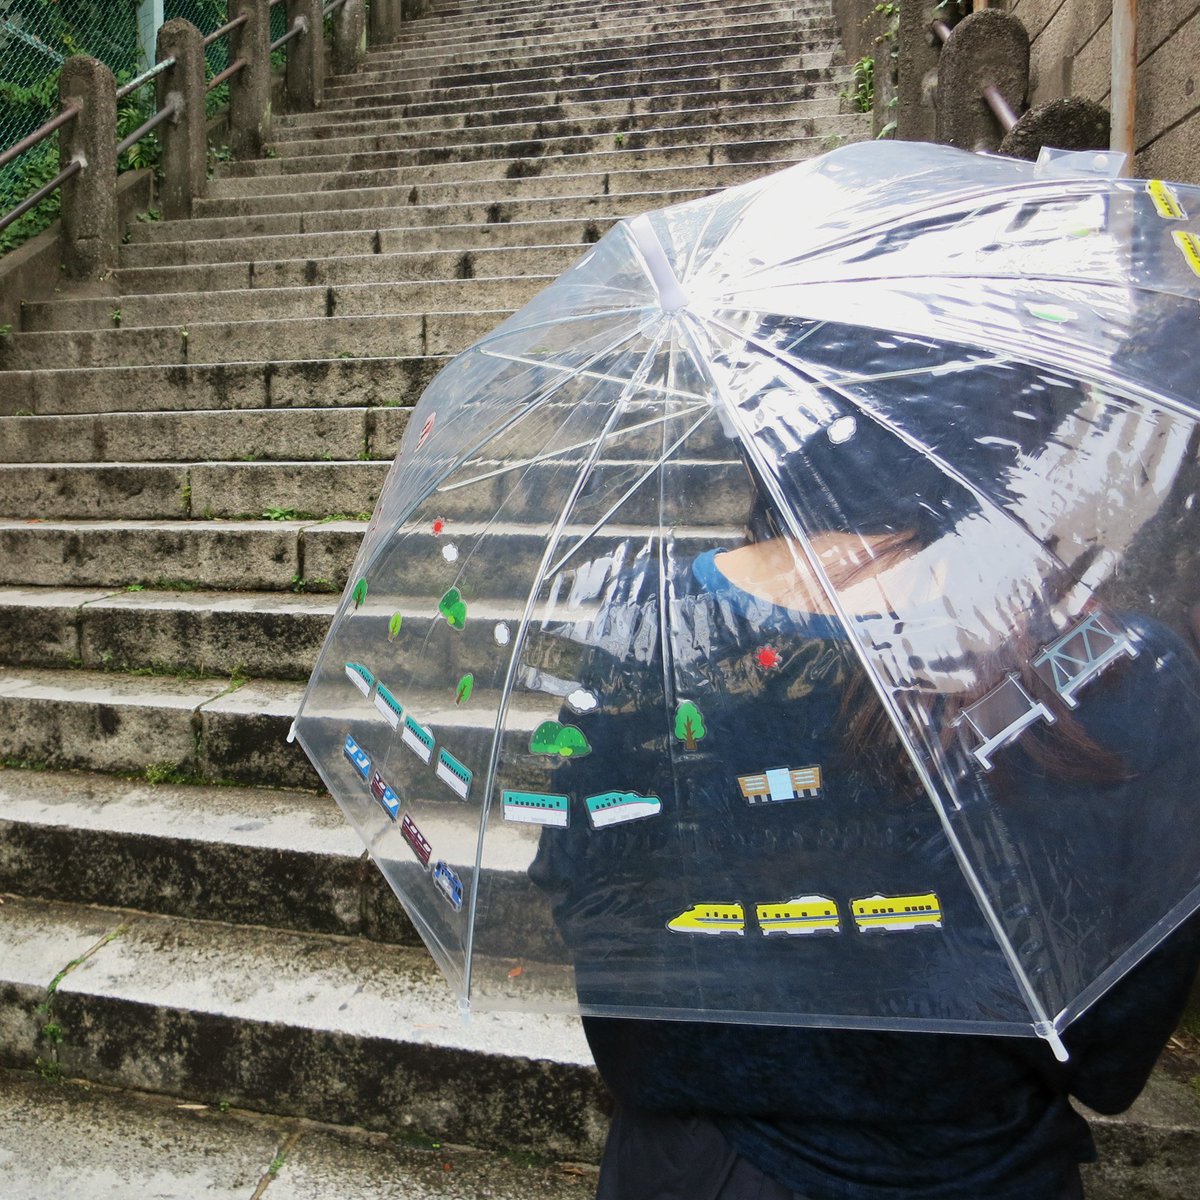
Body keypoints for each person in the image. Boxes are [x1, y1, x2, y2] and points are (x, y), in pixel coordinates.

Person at [528, 380, 1200, 1200]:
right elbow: (1114, 1038)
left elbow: (587, 893)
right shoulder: (1113, 668)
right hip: (984, 1165)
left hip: (698, 1167)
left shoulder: (651, 623)